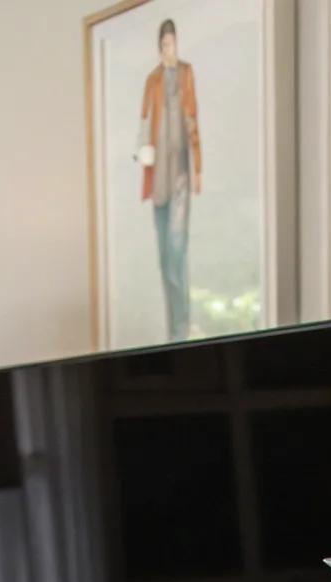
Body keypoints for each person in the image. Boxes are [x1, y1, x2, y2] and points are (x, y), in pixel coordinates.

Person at [138, 19, 201, 342]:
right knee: (165, 254)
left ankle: (182, 329)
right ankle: (173, 330)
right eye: (163, 45)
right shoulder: (153, 80)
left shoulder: (186, 74)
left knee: (177, 249)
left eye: (171, 44)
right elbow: (144, 120)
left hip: (179, 174)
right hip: (158, 176)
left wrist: (198, 170)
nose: (168, 50)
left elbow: (193, 121)